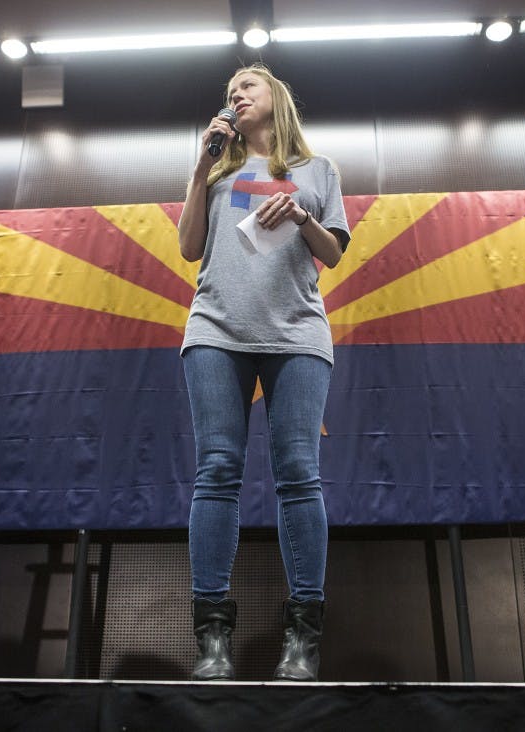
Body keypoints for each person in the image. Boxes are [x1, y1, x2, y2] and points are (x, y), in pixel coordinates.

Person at [177, 64, 351, 682]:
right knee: (217, 471)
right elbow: (188, 247)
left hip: (297, 334)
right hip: (216, 330)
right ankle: (213, 643)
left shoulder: (317, 170)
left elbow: (332, 253)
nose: (236, 94)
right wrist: (201, 167)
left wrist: (301, 218)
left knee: (299, 475)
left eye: (248, 86)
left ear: (275, 98)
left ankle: (302, 642)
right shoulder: (217, 171)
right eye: (229, 90)